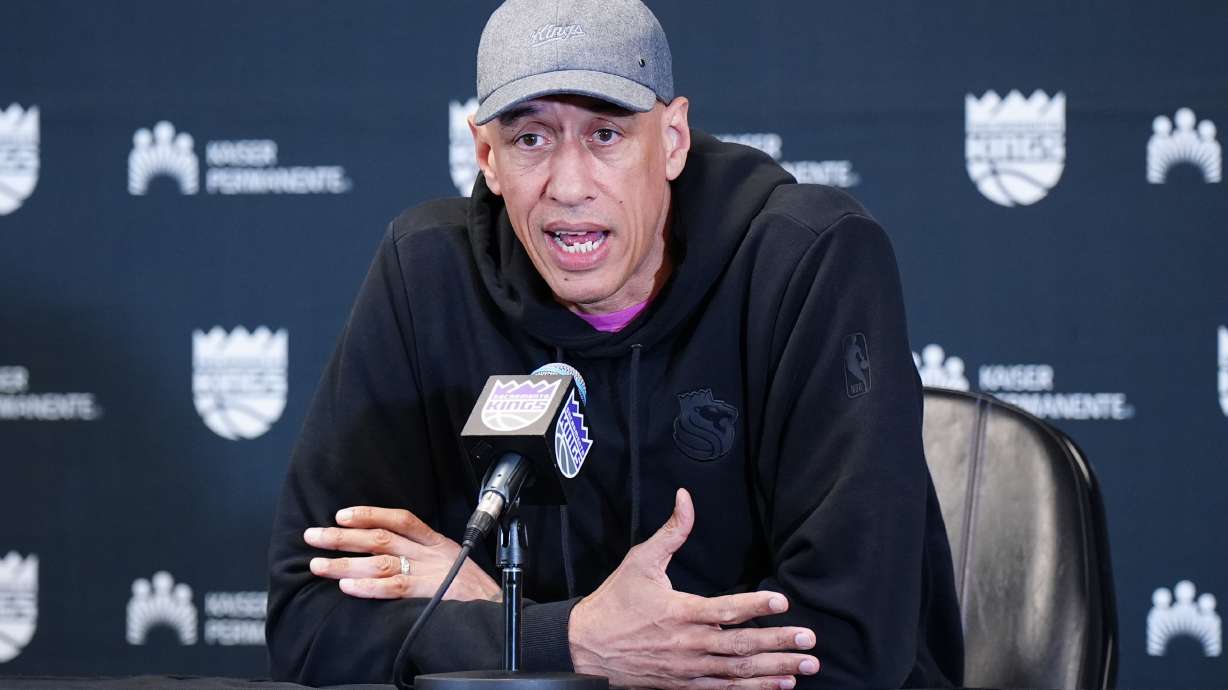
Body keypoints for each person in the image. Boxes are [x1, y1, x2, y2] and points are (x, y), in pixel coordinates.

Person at [266, 1, 964, 688]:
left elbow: (843, 645)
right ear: (486, 155)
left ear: (673, 140)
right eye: (530, 138)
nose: (569, 187)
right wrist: (565, 641)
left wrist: (492, 617)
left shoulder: (808, 261)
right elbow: (309, 622)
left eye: (606, 135)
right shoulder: (425, 275)